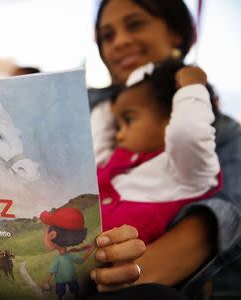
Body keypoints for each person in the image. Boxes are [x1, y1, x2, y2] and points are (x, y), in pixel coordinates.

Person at [88, 0, 241, 296]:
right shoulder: (93, 106)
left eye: (135, 24)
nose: (119, 41)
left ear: (176, 32)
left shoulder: (221, 135)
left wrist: (190, 85)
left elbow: (224, 217)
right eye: (107, 36)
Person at [94, 59, 220, 245]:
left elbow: (187, 132)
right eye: (117, 125)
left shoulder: (188, 169)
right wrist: (107, 108)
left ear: (172, 116)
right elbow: (96, 147)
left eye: (128, 120)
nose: (118, 135)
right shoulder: (121, 156)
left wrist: (192, 87)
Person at [40, 207, 94, 300]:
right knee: (73, 292)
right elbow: (81, 260)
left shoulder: (59, 259)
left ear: (52, 235)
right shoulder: (70, 255)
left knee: (64, 293)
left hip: (62, 281)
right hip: (71, 279)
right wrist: (91, 249)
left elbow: (51, 272)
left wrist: (47, 282)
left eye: (46, 230)